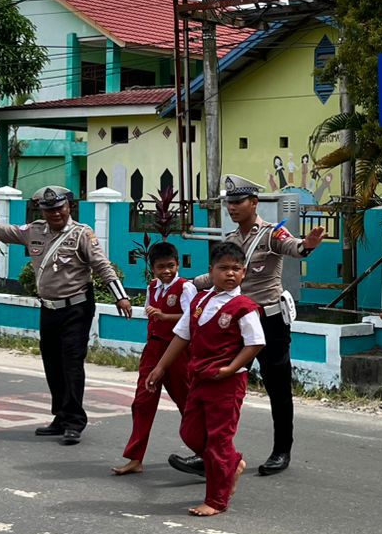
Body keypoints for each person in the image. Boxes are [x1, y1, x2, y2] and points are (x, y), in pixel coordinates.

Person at [169, 176, 325, 478]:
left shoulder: (270, 235)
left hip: (268, 321)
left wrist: (307, 245)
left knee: (277, 387)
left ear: (254, 203)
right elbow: (216, 273)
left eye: (238, 202)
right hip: (235, 324)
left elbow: (293, 247)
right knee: (220, 388)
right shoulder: (230, 240)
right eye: (229, 202)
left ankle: (282, 451)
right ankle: (211, 453)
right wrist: (188, 283)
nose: (232, 207)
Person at [0, 186, 132, 444]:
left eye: (59, 208)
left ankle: (75, 421)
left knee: (71, 362)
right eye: (49, 209)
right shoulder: (34, 231)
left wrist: (120, 296)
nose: (55, 213)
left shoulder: (81, 234)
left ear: (69, 207)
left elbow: (102, 265)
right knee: (52, 363)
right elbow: (3, 231)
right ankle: (61, 416)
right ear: (42, 210)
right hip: (49, 308)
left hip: (77, 307)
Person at [146, 241, 265, 516]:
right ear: (211, 271)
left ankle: (216, 499)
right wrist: (161, 367)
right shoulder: (200, 300)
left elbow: (255, 343)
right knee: (190, 432)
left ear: (244, 273)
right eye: (223, 268)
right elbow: (182, 335)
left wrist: (230, 368)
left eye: (236, 269)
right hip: (198, 378)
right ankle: (231, 464)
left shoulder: (244, 307)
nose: (230, 274)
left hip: (227, 382)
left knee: (218, 441)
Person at [111, 241, 194, 475]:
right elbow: (151, 313)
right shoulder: (152, 287)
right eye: (161, 267)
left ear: (177, 264)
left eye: (170, 266)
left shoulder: (185, 288)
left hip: (177, 350)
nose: (166, 271)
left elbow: (191, 319)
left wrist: (165, 317)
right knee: (142, 403)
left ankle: (207, 452)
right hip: (154, 349)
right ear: (153, 268)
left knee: (187, 402)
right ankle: (135, 457)